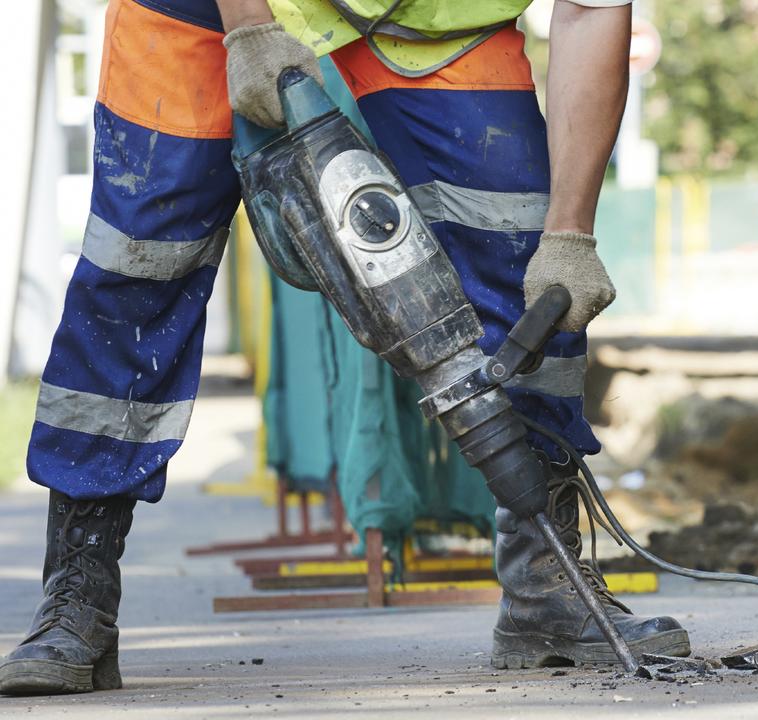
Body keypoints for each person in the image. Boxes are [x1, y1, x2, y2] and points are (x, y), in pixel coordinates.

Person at [0, 0, 688, 696]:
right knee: (138, 266)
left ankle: (549, 585)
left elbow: (590, 9)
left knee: (524, 256)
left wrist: (569, 234)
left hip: (429, 17)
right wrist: (250, 26)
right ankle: (76, 599)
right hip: (197, 12)